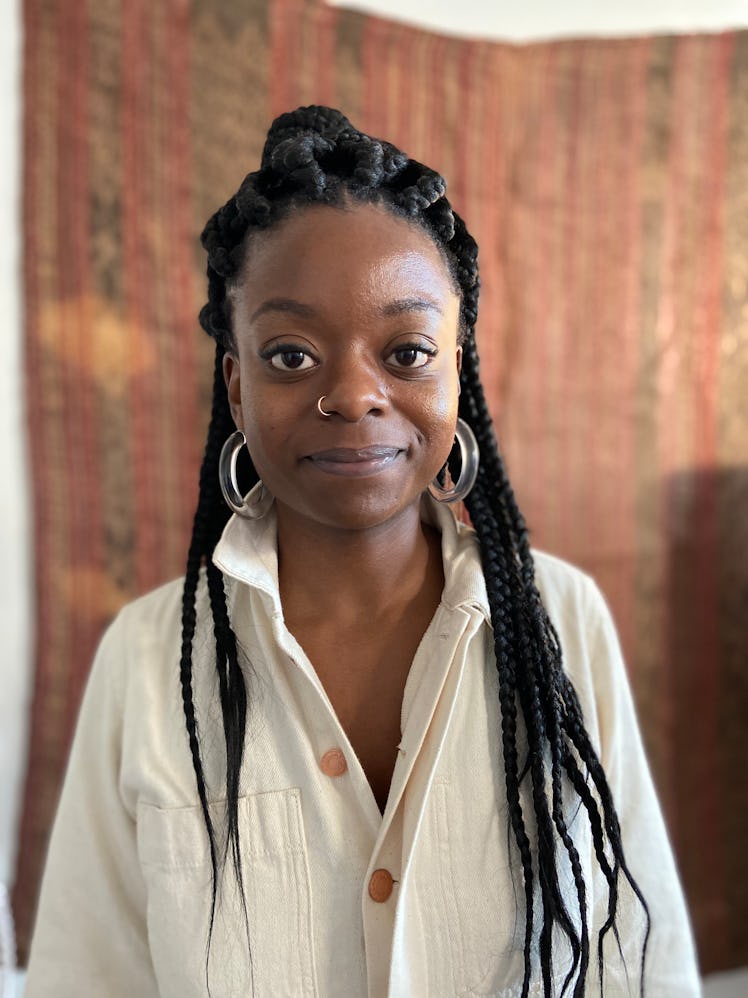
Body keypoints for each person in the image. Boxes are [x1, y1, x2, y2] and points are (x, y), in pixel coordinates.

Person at [25, 106, 699, 997]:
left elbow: (641, 967)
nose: (352, 394)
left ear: (458, 369)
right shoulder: (149, 661)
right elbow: (89, 978)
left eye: (407, 350)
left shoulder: (560, 620)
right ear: (236, 380)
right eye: (292, 354)